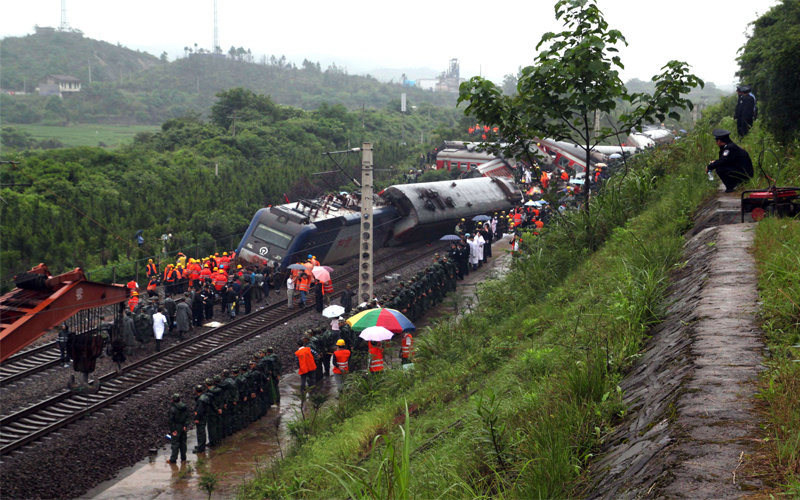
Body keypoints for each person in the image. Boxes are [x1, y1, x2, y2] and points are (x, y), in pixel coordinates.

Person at [168, 393, 191, 463]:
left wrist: (173, 430)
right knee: (183, 443)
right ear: (180, 399)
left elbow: (171, 420)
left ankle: (173, 459)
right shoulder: (185, 407)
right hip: (183, 427)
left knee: (175, 443)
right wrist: (185, 426)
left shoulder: (172, 409)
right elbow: (188, 417)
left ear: (172, 400)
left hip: (176, 427)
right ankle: (183, 458)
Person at [193, 384, 212, 453]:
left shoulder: (201, 399)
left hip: (201, 418)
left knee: (201, 432)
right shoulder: (205, 396)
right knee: (202, 432)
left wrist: (197, 418)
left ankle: (201, 447)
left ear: (195, 391)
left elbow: (200, 410)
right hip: (205, 416)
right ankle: (201, 445)